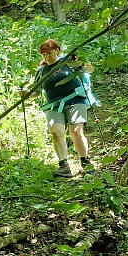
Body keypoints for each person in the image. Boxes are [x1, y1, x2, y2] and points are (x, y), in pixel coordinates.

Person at [34, 39, 95, 178]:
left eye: (49, 53)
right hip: (53, 105)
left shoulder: (69, 62)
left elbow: (90, 69)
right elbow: (36, 92)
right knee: (56, 131)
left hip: (75, 100)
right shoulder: (42, 71)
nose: (47, 57)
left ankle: (85, 161)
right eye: (44, 55)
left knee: (76, 130)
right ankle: (64, 166)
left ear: (57, 50)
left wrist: (81, 62)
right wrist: (26, 94)